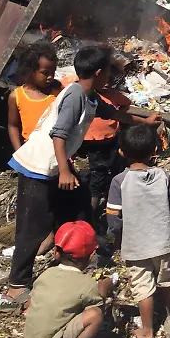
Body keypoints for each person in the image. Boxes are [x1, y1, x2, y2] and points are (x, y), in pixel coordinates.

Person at [6, 45, 160, 300]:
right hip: (38, 166)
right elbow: (58, 134)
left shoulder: (90, 96)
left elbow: (114, 114)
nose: (109, 76)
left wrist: (146, 122)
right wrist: (65, 171)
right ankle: (17, 284)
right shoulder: (75, 96)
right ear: (99, 73)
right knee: (33, 226)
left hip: (55, 166)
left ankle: (73, 260)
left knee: (78, 208)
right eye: (108, 72)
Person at [108, 124, 170, 338]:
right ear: (155, 150)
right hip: (163, 241)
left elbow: (114, 218)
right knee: (166, 278)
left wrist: (117, 239)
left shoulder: (119, 182)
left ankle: (148, 330)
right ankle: (168, 313)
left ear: (121, 152)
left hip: (135, 245)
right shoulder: (163, 176)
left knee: (143, 287)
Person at [24, 220, 113, 338]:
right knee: (94, 315)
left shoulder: (47, 274)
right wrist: (104, 290)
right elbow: (100, 306)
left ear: (56, 252)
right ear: (91, 255)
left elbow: (31, 303)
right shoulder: (87, 284)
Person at [62, 54, 131, 251]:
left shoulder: (106, 96)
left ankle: (94, 217)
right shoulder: (82, 93)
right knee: (96, 180)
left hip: (106, 142)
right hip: (91, 143)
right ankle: (89, 221)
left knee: (102, 177)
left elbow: (123, 106)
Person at [8, 43, 63, 151]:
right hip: (30, 151)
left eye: (53, 72)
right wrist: (19, 151)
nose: (51, 77)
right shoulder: (16, 96)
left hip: (53, 150)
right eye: (45, 73)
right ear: (30, 71)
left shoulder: (58, 93)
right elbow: (13, 125)